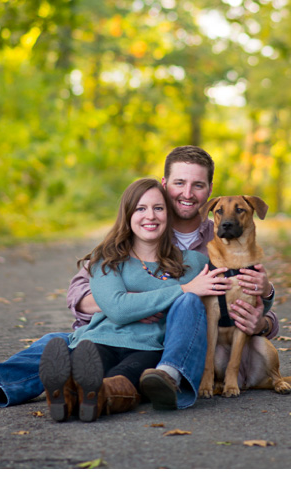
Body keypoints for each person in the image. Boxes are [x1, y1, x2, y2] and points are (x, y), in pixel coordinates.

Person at [0, 145, 281, 410]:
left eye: (198, 186)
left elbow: (244, 305)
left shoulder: (220, 241)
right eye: (179, 183)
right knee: (65, 340)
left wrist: (265, 305)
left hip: (170, 343)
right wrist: (129, 302)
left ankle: (94, 391)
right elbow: (82, 294)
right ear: (166, 184)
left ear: (208, 195)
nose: (187, 193)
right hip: (113, 327)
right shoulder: (140, 227)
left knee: (117, 355)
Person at [37, 177, 224, 421]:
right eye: (140, 209)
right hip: (100, 339)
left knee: (125, 375)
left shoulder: (193, 263)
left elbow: (228, 297)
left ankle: (90, 398)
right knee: (88, 364)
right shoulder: (106, 258)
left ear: (169, 215)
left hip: (150, 345)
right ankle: (67, 395)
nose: (151, 216)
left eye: (158, 208)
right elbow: (117, 308)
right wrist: (183, 289)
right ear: (127, 215)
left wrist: (266, 293)